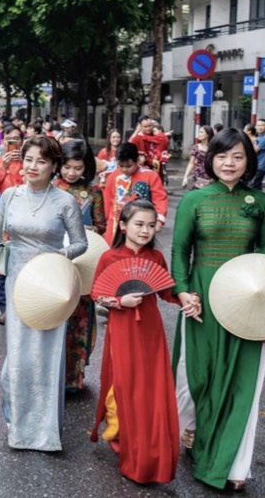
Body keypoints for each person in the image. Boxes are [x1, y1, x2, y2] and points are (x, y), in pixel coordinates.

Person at [171, 128, 265, 491]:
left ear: (249, 160)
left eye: (237, 156)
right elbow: (179, 251)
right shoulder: (194, 201)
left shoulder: (260, 202)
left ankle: (232, 464)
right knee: (200, 377)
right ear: (209, 158)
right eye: (221, 156)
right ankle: (196, 437)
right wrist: (183, 292)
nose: (229, 163)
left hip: (248, 301)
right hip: (202, 300)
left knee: (242, 383)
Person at [0, 135, 88, 451]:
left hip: (50, 286)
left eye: (41, 161)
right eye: (28, 159)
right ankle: (18, 427)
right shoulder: (10, 195)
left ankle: (44, 433)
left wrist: (58, 257)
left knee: (47, 355)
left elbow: (80, 243)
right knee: (17, 356)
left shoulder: (65, 202)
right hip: (16, 281)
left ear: (54, 165)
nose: (32, 166)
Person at [90, 200, 179, 484]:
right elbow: (96, 294)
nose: (145, 230)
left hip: (150, 330)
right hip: (123, 329)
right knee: (127, 387)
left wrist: (186, 297)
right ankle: (127, 443)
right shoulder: (110, 258)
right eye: (139, 224)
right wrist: (119, 301)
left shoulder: (155, 258)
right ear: (124, 225)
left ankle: (151, 450)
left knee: (152, 389)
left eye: (151, 225)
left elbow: (166, 291)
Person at [52, 139, 104, 392]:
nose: (72, 173)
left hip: (83, 261)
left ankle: (74, 376)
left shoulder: (94, 193)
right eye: (67, 167)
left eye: (78, 168)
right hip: (54, 260)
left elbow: (101, 226)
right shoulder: (50, 188)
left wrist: (90, 231)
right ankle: (51, 374)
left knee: (80, 319)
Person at [102, 143, 168, 244]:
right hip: (115, 225)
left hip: (142, 225)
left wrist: (159, 219)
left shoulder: (150, 175)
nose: (124, 169)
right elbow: (107, 201)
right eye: (121, 166)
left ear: (137, 161)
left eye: (128, 166)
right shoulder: (113, 177)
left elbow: (160, 198)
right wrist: (105, 223)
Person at [0, 125, 25, 194]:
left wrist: (25, 163)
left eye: (16, 138)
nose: (12, 142)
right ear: (2, 142)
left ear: (21, 142)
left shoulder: (28, 162)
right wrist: (3, 167)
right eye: (8, 139)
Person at [181, 126, 214, 191]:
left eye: (201, 132)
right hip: (198, 175)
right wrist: (185, 177)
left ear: (207, 134)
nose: (199, 134)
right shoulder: (196, 147)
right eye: (199, 132)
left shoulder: (213, 148)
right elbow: (191, 163)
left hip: (211, 175)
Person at [247, 119, 265, 189]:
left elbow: (254, 151)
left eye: (262, 125)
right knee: (257, 187)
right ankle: (261, 199)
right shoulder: (258, 138)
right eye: (258, 125)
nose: (260, 127)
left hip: (260, 166)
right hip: (256, 165)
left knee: (251, 187)